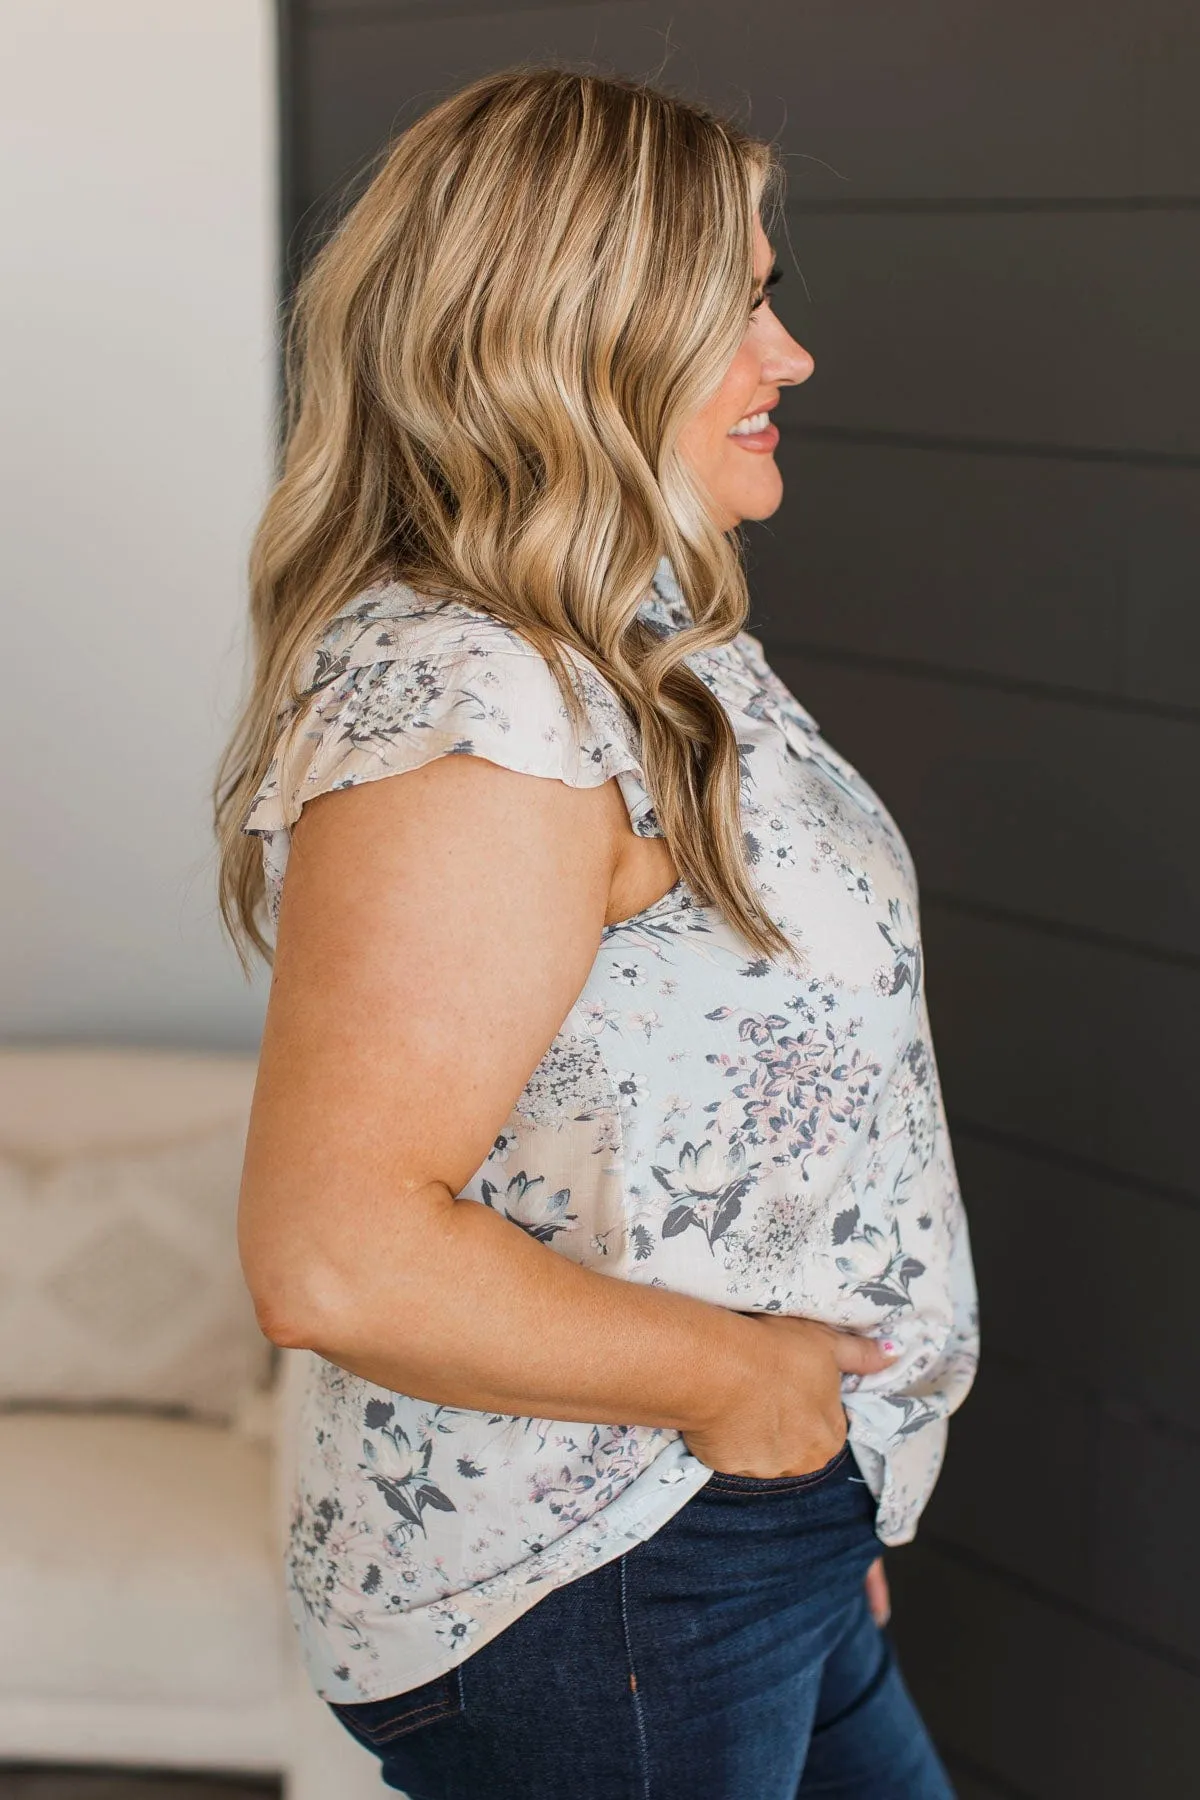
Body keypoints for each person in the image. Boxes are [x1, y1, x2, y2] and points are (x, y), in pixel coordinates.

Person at [215, 64, 978, 1800]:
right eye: (745, 306)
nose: (789, 359)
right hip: (614, 1571)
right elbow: (335, 1253)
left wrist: (817, 1469)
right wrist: (745, 1396)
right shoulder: (487, 698)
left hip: (748, 1526)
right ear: (576, 336)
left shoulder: (640, 628)